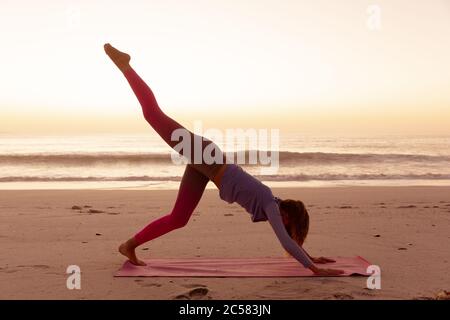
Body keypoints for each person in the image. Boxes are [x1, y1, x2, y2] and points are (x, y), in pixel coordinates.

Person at [104, 43, 344, 276]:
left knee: (179, 219)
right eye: (289, 226)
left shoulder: (271, 203)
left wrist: (310, 257)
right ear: (288, 216)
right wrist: (314, 269)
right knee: (153, 115)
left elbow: (288, 241)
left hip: (205, 167)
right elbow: (286, 241)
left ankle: (129, 245)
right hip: (207, 157)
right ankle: (126, 66)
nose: (283, 228)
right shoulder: (272, 205)